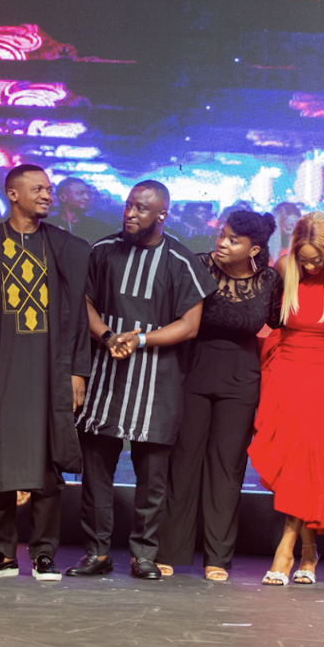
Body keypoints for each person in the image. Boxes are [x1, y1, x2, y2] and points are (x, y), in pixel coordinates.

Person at [69, 180, 214, 581]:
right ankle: (97, 552)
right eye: (128, 206)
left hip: (157, 383)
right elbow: (84, 303)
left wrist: (141, 340)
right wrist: (108, 336)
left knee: (152, 479)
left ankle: (144, 555)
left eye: (141, 209)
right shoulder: (102, 250)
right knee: (96, 473)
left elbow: (190, 325)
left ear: (161, 214)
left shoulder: (181, 261)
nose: (130, 214)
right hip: (105, 377)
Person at [0, 164, 92, 581]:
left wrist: (77, 372)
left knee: (47, 461)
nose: (47, 195)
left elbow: (78, 318)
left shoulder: (65, 247)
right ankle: (2, 554)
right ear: (13, 195)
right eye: (38, 189)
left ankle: (44, 554)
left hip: (49, 372)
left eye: (49, 189)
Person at [157, 211, 282, 581]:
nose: (222, 243)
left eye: (233, 240)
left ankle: (217, 557)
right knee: (183, 462)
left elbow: (280, 322)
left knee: (227, 468)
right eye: (223, 235)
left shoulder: (269, 280)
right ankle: (170, 550)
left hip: (242, 379)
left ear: (254, 249)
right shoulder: (200, 266)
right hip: (193, 370)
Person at [249, 212, 324, 585]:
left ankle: (285, 551)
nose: (311, 266)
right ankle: (309, 551)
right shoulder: (286, 266)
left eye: (318, 260)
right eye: (305, 259)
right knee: (293, 459)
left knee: (313, 455)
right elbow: (265, 317)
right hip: (286, 368)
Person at [51, 176, 114, 244]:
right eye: (80, 193)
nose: (87, 198)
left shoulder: (98, 228)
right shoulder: (49, 226)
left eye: (87, 194)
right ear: (63, 198)